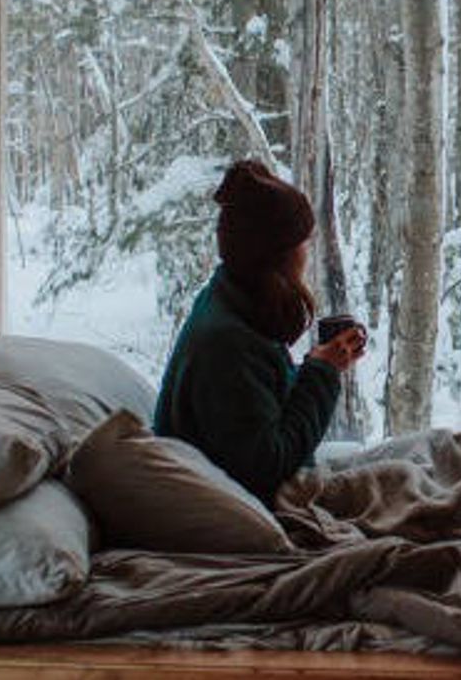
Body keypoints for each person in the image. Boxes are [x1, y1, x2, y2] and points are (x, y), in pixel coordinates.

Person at [154, 159, 366, 503]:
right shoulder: (227, 345)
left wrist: (316, 365)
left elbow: (255, 407)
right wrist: (322, 374)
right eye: (303, 242)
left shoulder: (230, 302)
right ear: (278, 255)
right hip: (232, 504)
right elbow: (269, 464)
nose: (307, 253)